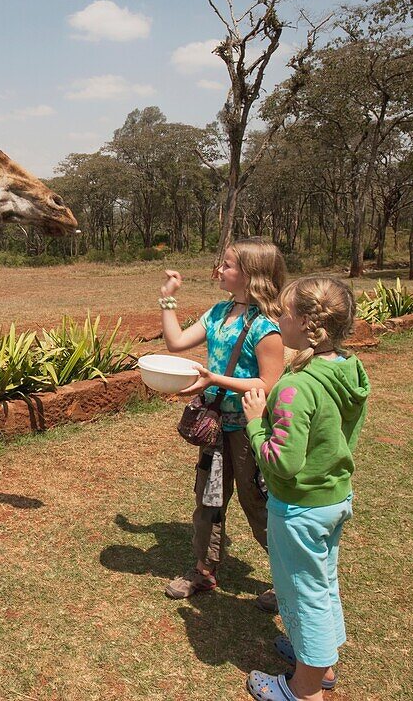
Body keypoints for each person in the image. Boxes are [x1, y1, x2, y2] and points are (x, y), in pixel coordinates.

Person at [241, 275, 369, 701]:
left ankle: (304, 689)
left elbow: (284, 462)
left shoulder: (298, 386)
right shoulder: (348, 368)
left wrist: (257, 423)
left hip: (299, 508)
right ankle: (321, 664)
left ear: (305, 323)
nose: (277, 318)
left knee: (303, 593)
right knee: (324, 582)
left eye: (282, 312)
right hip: (334, 498)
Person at [159, 238, 286, 612]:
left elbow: (268, 384)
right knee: (208, 500)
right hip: (215, 429)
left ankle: (286, 581)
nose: (220, 270)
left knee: (257, 503)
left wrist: (215, 380)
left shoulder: (267, 328)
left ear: (250, 275)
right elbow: (176, 342)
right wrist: (168, 299)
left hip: (250, 429)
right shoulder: (218, 313)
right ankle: (204, 570)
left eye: (227, 265)